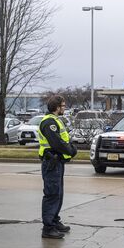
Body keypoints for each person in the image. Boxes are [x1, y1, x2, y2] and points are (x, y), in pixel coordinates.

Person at [38, 95, 78, 239]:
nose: (64, 108)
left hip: (57, 163)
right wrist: (71, 150)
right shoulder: (49, 122)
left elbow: (63, 139)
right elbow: (57, 143)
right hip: (51, 163)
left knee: (58, 194)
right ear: (56, 107)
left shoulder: (55, 120)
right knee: (52, 194)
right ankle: (48, 228)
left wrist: (70, 148)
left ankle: (54, 221)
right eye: (63, 106)